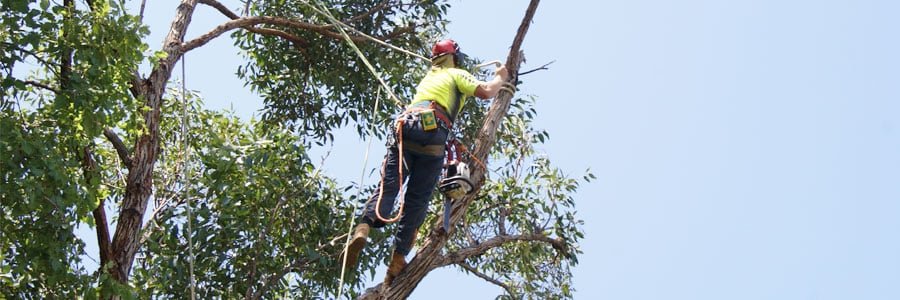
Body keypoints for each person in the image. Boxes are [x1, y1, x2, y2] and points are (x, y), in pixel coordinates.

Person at [342, 39, 510, 284]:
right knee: (417, 201)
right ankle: (398, 258)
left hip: (407, 127)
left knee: (389, 186)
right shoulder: (455, 73)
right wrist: (501, 77)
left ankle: (363, 228)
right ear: (454, 57)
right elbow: (485, 91)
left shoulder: (429, 77)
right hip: (433, 136)